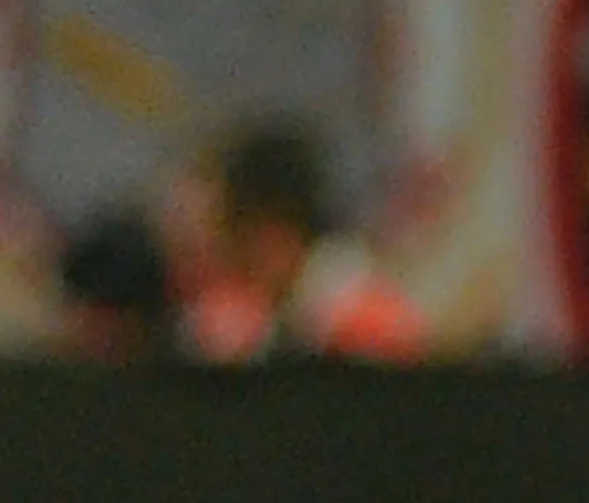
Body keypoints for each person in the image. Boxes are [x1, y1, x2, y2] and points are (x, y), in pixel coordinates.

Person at [171, 120, 427, 363]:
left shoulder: (360, 317)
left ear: (270, 230)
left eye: (235, 231)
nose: (232, 255)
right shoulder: (262, 313)